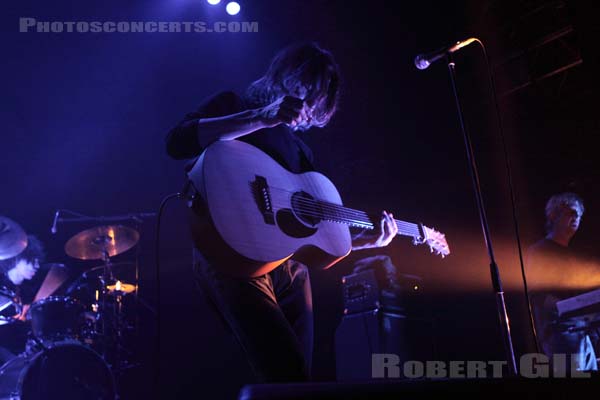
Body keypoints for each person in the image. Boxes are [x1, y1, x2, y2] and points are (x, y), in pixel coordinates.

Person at [166, 42, 399, 382]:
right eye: (305, 88)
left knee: (296, 380)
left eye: (317, 100)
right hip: (232, 257)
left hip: (291, 271)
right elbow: (176, 142)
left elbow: (310, 238)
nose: (307, 103)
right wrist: (261, 116)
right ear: (284, 75)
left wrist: (367, 241)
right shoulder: (233, 104)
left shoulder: (301, 152)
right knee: (283, 367)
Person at [526, 192, 599, 372]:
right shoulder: (539, 252)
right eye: (570, 213)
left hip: (583, 332)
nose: (575, 218)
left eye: (578, 215)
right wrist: (567, 307)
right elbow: (537, 293)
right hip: (560, 333)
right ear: (553, 215)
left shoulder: (574, 254)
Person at [0, 235, 45, 364]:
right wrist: (14, 361)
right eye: (32, 260)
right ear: (16, 259)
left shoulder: (25, 292)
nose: (37, 265)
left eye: (38, 261)